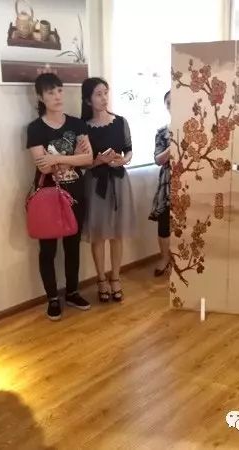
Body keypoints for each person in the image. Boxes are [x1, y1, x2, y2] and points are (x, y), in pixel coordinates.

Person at [26, 73, 93, 321]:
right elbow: (43, 167)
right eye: (51, 92)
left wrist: (56, 158)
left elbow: (89, 158)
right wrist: (72, 157)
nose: (57, 96)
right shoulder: (35, 128)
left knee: (73, 245)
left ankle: (73, 292)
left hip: (75, 192)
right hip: (48, 195)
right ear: (40, 97)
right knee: (48, 249)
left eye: (59, 91)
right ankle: (53, 298)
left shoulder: (77, 124)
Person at [81, 77, 136, 303]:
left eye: (106, 92)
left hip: (119, 181)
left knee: (117, 233)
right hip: (96, 183)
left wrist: (123, 160)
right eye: (98, 94)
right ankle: (101, 279)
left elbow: (129, 150)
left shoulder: (121, 121)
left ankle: (115, 278)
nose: (104, 98)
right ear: (88, 100)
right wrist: (98, 161)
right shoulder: (83, 127)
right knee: (98, 234)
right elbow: (82, 163)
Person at [149, 90, 172, 277]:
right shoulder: (162, 132)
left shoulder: (197, 128)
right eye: (169, 103)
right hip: (168, 181)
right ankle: (165, 258)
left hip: (193, 181)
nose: (173, 106)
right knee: (164, 222)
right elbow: (158, 159)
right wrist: (174, 146)